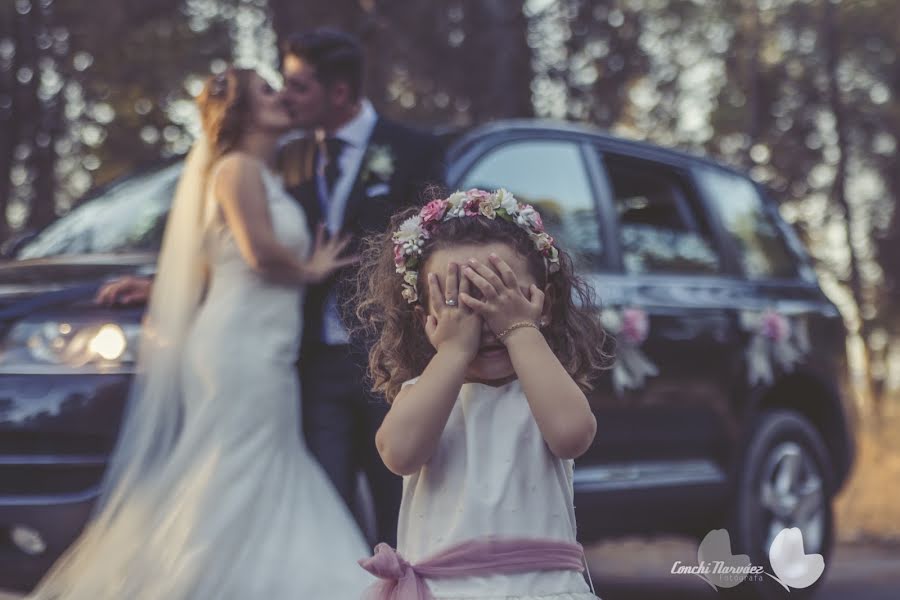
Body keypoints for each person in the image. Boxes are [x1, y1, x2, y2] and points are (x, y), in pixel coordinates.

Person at [31, 67, 373, 599]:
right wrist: (312, 268)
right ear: (242, 114)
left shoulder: (262, 174)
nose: (280, 96)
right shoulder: (236, 169)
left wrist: (155, 288)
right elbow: (258, 254)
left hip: (263, 342)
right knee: (234, 462)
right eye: (265, 91)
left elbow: (216, 259)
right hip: (239, 347)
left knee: (255, 460)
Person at [98, 29, 444, 546]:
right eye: (277, 86)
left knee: (404, 500)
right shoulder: (285, 158)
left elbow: (435, 245)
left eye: (297, 86)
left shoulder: (413, 151)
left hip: (387, 357)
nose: (284, 96)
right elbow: (230, 240)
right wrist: (159, 286)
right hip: (303, 360)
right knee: (320, 505)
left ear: (341, 93)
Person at [353, 189, 610, 599]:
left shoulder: (542, 391)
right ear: (427, 319)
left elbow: (573, 434)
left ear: (544, 304)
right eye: (463, 306)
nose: (488, 324)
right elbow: (398, 454)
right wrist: (454, 350)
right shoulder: (424, 395)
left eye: (502, 299)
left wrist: (519, 330)